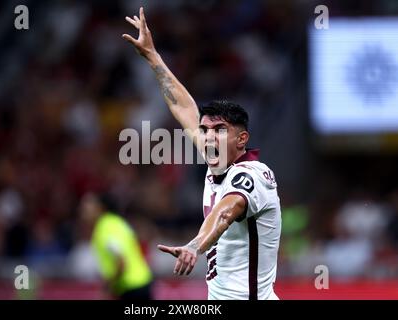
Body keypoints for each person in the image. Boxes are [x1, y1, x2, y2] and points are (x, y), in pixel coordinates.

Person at [122, 8, 282, 300]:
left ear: (241, 139)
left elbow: (225, 212)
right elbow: (184, 108)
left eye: (219, 130)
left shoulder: (253, 176)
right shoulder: (217, 160)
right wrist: (153, 56)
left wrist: (195, 246)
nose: (208, 136)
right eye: (205, 130)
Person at [79, 193, 153, 300]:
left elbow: (121, 261)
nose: (83, 209)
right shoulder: (115, 222)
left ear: (100, 207)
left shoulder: (107, 227)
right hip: (140, 283)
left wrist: (108, 288)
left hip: (132, 287)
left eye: (88, 205)